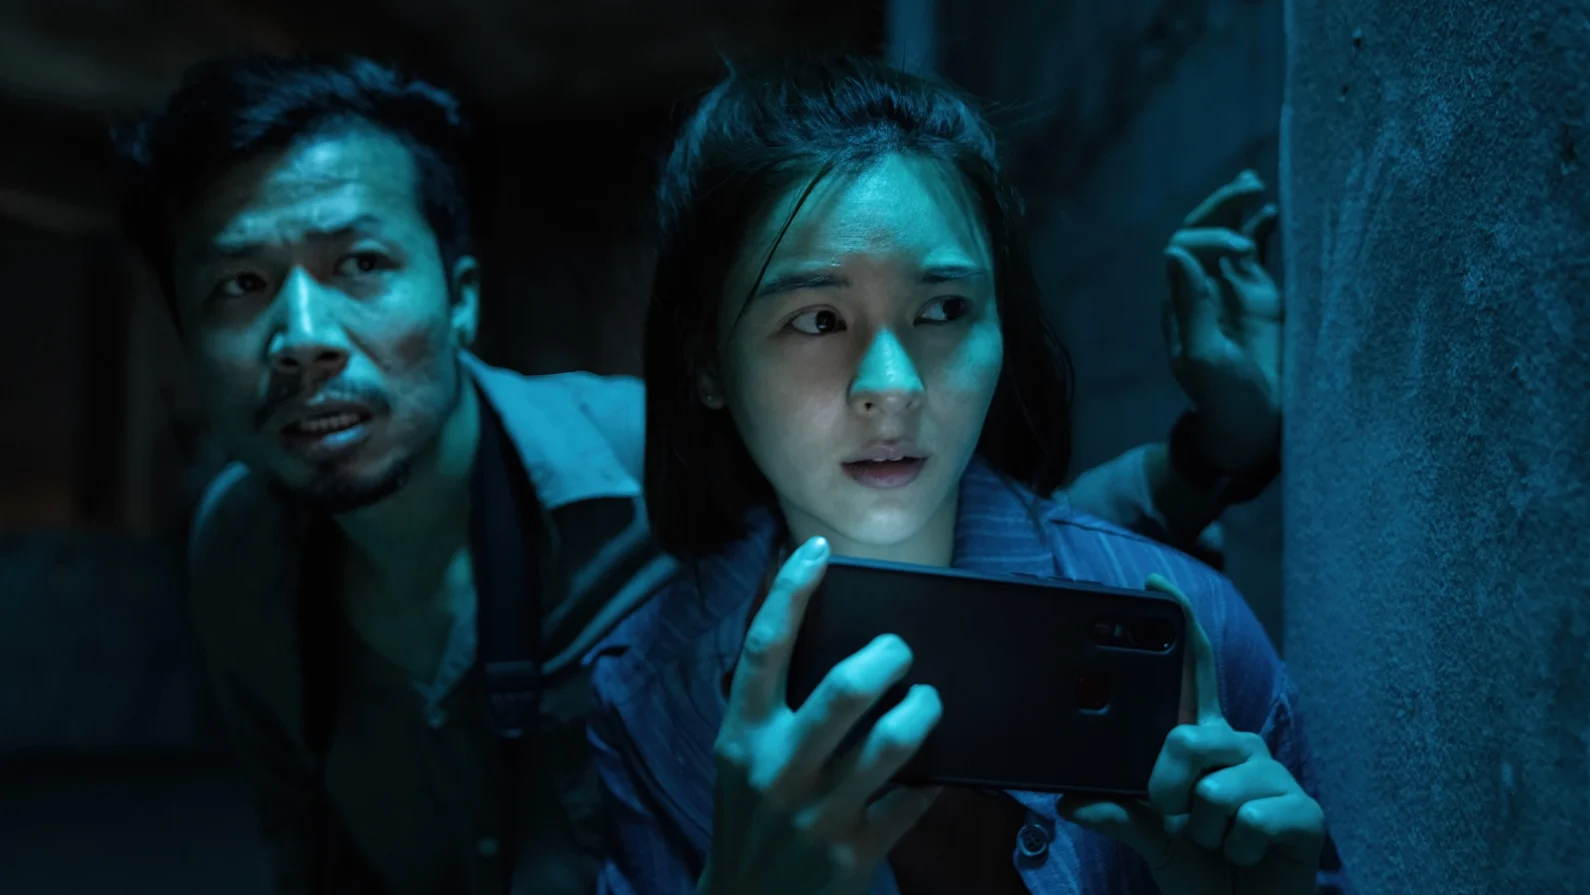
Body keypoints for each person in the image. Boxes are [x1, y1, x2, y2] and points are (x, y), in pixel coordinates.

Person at [113, 53, 1284, 895]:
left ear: (461, 295)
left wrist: (1209, 459)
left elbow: (947, 535)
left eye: (361, 262)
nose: (303, 336)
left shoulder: (645, 462)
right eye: (238, 286)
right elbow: (302, 834)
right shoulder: (240, 556)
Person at [585, 55, 1346, 895]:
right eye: (818, 319)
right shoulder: (647, 695)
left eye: (944, 309)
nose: (893, 386)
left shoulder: (1192, 645)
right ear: (708, 362)